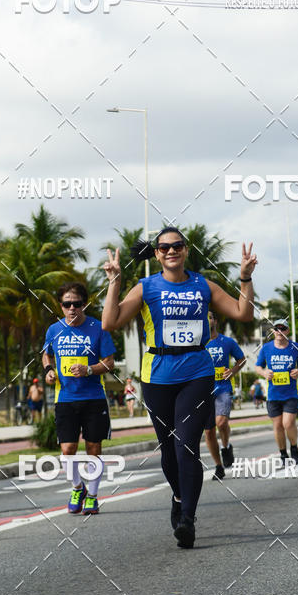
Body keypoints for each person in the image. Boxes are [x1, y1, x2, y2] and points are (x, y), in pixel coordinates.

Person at [102, 227, 256, 549]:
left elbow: (243, 312)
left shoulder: (203, 285)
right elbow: (110, 322)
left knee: (187, 445)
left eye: (177, 246)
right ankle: (177, 495)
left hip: (197, 374)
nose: (171, 251)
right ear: (157, 254)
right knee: (169, 450)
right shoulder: (146, 287)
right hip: (157, 377)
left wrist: (245, 277)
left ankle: (187, 518)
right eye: (164, 247)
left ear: (186, 250)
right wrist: (115, 281)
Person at [42, 282, 115, 516]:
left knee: (93, 448)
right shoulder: (54, 330)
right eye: (67, 304)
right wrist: (49, 371)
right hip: (65, 398)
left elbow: (109, 363)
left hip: (93, 398)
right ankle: (77, 488)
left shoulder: (99, 328)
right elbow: (46, 354)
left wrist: (89, 370)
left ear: (84, 304)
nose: (72, 308)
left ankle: (92, 496)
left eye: (77, 303)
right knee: (67, 450)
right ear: (61, 306)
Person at [254, 318, 298, 465]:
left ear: (287, 331)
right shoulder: (266, 348)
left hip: (290, 394)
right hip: (273, 395)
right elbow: (258, 367)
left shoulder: (295, 347)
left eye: (283, 328)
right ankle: (283, 453)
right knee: (278, 426)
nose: (279, 331)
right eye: (277, 328)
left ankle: (294, 447)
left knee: (288, 423)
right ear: (273, 331)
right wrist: (264, 373)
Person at [204, 312, 246, 480]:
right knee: (208, 432)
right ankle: (218, 466)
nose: (207, 320)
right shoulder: (197, 343)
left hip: (222, 388)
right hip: (203, 392)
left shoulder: (227, 342)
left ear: (215, 321)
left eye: (210, 317)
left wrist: (233, 371)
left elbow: (242, 360)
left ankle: (226, 446)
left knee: (221, 423)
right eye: (204, 317)